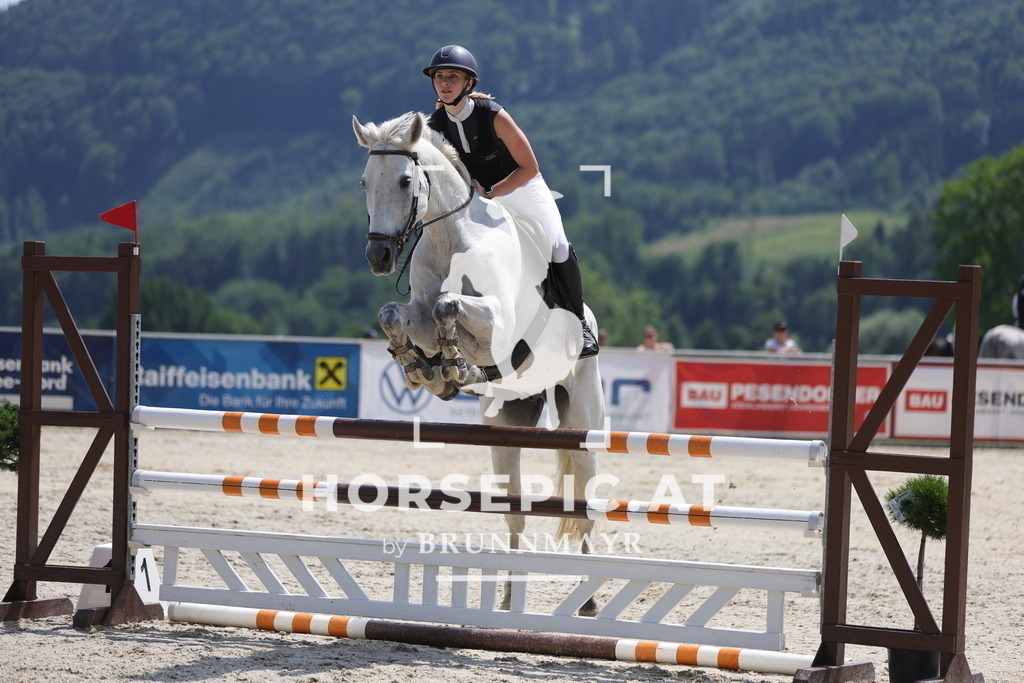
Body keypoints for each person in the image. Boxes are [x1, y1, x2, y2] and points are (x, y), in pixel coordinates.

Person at [422, 45, 599, 359]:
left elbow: (529, 167)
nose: (444, 82)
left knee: (557, 246)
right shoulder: (436, 125)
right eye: (439, 76)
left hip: (522, 189)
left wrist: (491, 191)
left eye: (453, 76)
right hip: (480, 199)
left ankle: (579, 325)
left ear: (468, 83)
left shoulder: (493, 115)